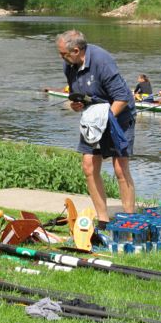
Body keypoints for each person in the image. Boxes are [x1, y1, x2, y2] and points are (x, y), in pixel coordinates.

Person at [56, 30, 136, 230]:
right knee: (89, 167)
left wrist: (105, 121)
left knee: (120, 168)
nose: (61, 58)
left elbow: (122, 97)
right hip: (93, 118)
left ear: (76, 50)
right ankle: (103, 220)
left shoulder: (102, 61)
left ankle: (129, 219)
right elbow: (78, 96)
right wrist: (77, 105)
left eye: (63, 54)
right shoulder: (70, 65)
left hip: (118, 116)